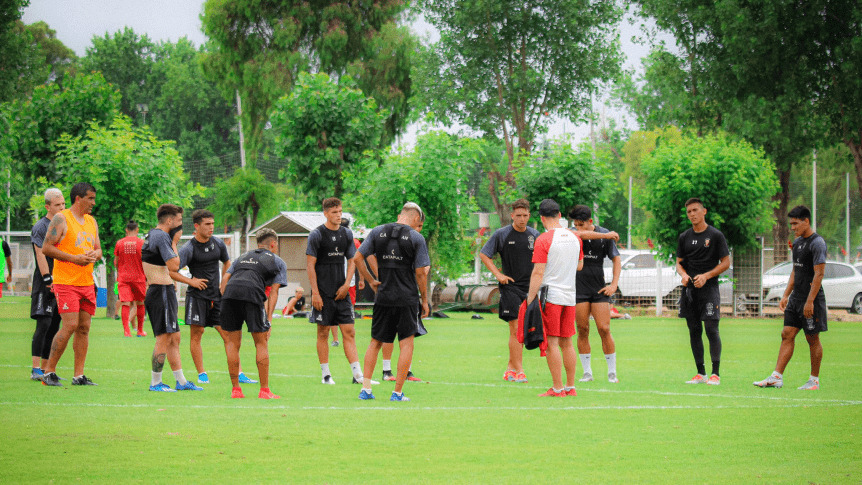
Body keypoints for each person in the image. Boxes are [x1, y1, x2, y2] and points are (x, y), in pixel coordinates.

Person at [355, 202, 431, 402]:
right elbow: (421, 273)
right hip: (406, 298)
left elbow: (357, 258)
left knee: (375, 342)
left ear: (400, 215)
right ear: (416, 218)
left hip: (383, 296)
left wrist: (371, 280)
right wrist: (425, 300)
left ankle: (366, 389)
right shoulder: (416, 237)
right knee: (406, 343)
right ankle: (397, 393)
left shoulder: (377, 232)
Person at [179, 209, 256, 385]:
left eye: (213, 224)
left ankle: (240, 372)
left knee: (228, 334)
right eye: (207, 224)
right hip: (197, 298)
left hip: (217, 297)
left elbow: (227, 262)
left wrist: (224, 283)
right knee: (197, 334)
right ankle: (202, 373)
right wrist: (192, 282)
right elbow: (172, 270)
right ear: (197, 226)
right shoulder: (188, 248)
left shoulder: (218, 244)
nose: (211, 227)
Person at [754, 206, 826, 391]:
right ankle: (776, 377)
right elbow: (795, 270)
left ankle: (814, 381)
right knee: (786, 334)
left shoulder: (817, 243)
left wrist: (810, 301)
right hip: (796, 299)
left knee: (812, 338)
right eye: (791, 224)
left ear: (806, 221)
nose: (792, 227)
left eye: (795, 223)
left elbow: (819, 274)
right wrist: (786, 295)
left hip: (811, 299)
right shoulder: (798, 243)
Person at [40, 183, 102, 387]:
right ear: (78, 198)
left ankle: (79, 376)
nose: (93, 203)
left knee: (84, 328)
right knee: (70, 325)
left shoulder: (92, 221)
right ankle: (49, 372)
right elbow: (46, 248)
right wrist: (73, 259)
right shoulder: (61, 218)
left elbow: (98, 249)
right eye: (90, 198)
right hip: (66, 282)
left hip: (86, 282)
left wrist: (95, 254)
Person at [141, 204, 205, 392]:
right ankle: (156, 383)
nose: (179, 225)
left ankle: (181, 381)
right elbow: (175, 265)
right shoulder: (162, 236)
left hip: (162, 291)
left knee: (174, 338)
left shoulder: (153, 234)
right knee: (163, 337)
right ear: (169, 221)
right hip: (160, 291)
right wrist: (175, 241)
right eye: (178, 221)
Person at [307, 197, 370, 384]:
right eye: (334, 212)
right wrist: (315, 293)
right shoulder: (316, 235)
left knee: (349, 331)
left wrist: (346, 284)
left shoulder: (347, 234)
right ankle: (326, 375)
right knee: (323, 332)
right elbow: (310, 265)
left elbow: (352, 260)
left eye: (340, 211)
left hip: (341, 291)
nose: (338, 215)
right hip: (323, 292)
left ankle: (357, 375)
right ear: (326, 213)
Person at [219, 228, 287, 399]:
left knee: (233, 343)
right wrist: (269, 319)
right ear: (273, 244)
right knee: (261, 342)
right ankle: (264, 390)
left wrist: (226, 297)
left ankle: (236, 390)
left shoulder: (241, 257)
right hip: (252, 294)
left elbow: (225, 279)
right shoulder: (277, 261)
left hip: (230, 295)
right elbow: (274, 292)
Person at [526, 199, 583, 397]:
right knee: (567, 342)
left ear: (541, 218)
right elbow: (579, 266)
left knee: (552, 343)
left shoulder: (543, 239)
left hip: (551, 296)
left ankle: (557, 388)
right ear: (559, 215)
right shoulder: (575, 238)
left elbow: (538, 273)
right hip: (570, 296)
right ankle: (570, 386)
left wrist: (530, 298)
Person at [480, 199, 541, 384]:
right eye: (518, 216)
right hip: (510, 288)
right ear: (512, 216)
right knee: (515, 329)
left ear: (529, 216)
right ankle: (520, 371)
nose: (522, 219)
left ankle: (509, 369)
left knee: (524, 330)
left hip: (530, 289)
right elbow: (484, 254)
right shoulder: (502, 234)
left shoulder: (535, 235)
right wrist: (498, 274)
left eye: (525, 216)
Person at [675, 197, 730, 386]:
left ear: (704, 211)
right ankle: (701, 373)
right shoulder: (684, 237)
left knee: (711, 329)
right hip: (690, 292)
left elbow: (726, 262)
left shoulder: (715, 236)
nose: (692, 214)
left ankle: (716, 374)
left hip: (709, 290)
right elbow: (679, 263)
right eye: (689, 212)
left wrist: (706, 276)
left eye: (695, 210)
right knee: (694, 330)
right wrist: (683, 275)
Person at [569, 205, 622, 383]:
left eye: (581, 224)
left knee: (604, 329)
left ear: (591, 221)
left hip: (599, 289)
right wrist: (607, 235)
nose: (578, 227)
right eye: (575, 224)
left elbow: (616, 259)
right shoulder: (573, 233)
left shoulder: (604, 234)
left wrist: (614, 284)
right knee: (582, 329)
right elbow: (580, 235)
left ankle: (612, 372)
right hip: (579, 289)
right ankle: (587, 373)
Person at [29, 188, 65, 381]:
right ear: (47, 206)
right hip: (45, 282)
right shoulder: (41, 226)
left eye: (63, 204)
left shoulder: (63, 224)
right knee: (43, 323)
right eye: (57, 205)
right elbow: (40, 253)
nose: (61, 207)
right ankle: (35, 369)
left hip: (61, 280)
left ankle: (46, 369)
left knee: (54, 325)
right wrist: (47, 279)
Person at [114, 220, 147, 337]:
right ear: (137, 230)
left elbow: (115, 262)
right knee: (140, 303)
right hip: (139, 277)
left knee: (125, 304)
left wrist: (121, 270)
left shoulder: (119, 243)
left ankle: (127, 331)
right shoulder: (142, 243)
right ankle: (140, 330)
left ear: (126, 230)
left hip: (124, 277)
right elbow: (145, 262)